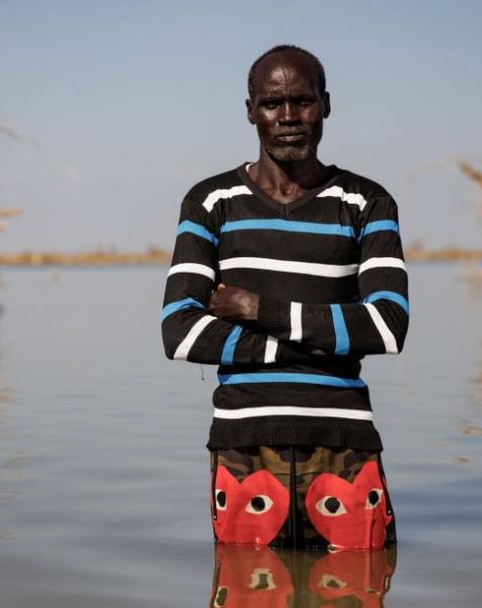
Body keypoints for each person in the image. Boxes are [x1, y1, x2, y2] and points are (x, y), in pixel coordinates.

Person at [161, 45, 408, 550]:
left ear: (327, 105)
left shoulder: (367, 202)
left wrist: (258, 310)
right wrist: (321, 341)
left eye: (304, 101)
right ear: (251, 110)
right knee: (247, 592)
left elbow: (387, 327)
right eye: (273, 104)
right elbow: (180, 333)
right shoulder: (210, 203)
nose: (289, 117)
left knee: (358, 590)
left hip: (344, 446)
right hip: (243, 449)